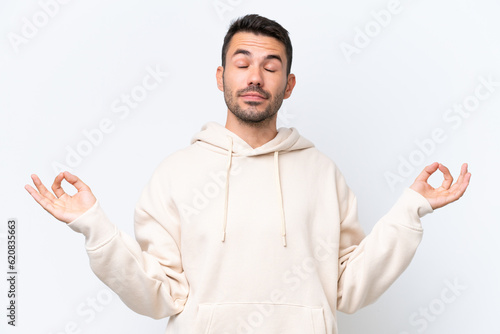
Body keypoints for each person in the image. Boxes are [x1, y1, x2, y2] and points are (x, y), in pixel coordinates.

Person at [25, 14, 471, 334]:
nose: (255, 77)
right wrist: (94, 226)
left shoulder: (322, 173)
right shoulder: (176, 173)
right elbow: (157, 294)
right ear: (221, 77)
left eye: (271, 66)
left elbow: (348, 288)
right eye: (242, 64)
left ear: (288, 84)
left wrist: (410, 212)